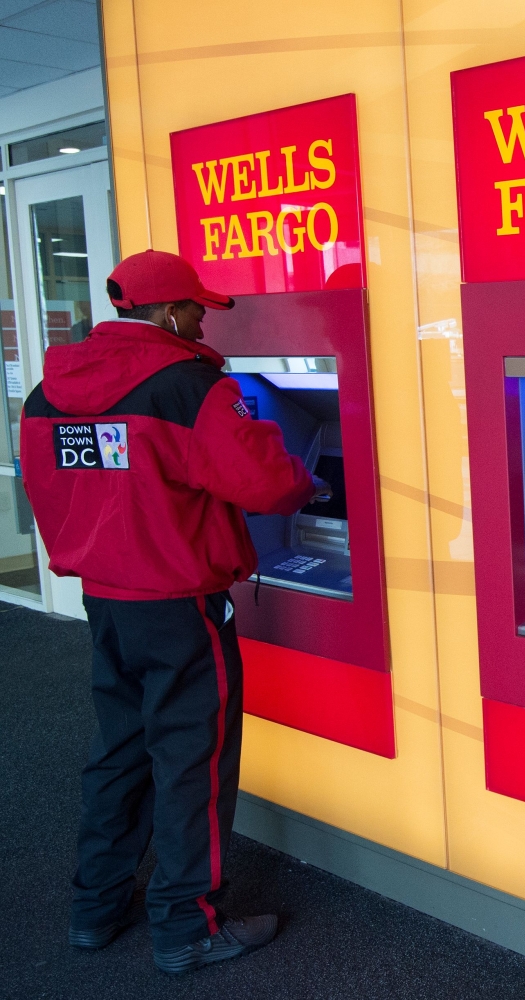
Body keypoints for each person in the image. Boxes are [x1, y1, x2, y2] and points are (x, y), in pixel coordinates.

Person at [20, 249, 331, 974]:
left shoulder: (48, 394)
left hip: (107, 603)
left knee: (119, 752)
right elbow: (263, 480)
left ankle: (94, 908)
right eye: (194, 309)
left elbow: (49, 489)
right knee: (194, 761)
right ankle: (188, 926)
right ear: (164, 313)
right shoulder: (188, 388)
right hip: (182, 606)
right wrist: (307, 485)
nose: (201, 322)